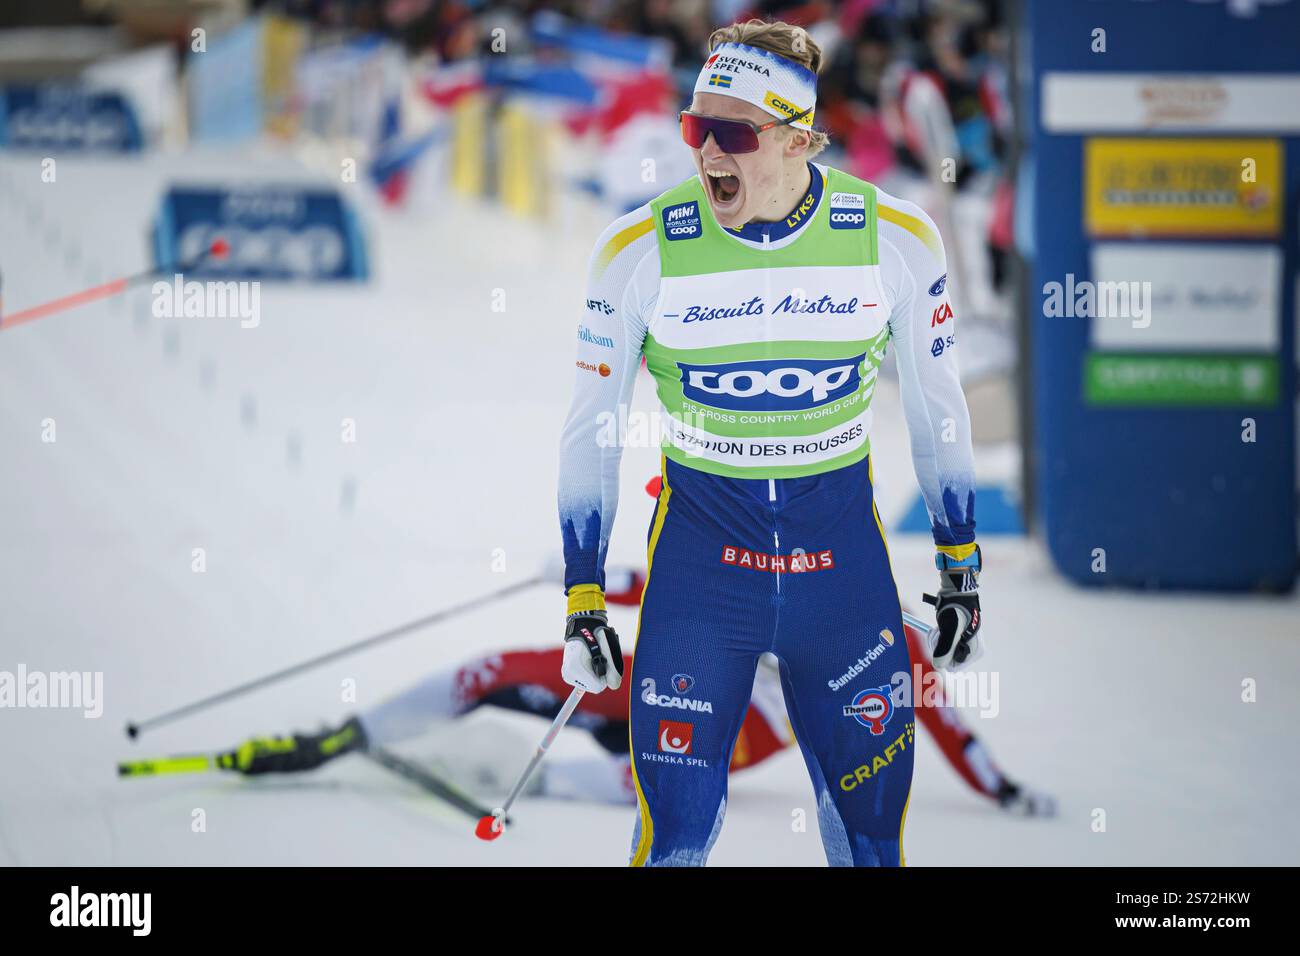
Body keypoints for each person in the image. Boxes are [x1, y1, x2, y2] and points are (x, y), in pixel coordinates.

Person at [557, 19, 982, 867]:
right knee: (672, 838)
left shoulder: (893, 239)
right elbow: (591, 430)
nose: (706, 152)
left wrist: (959, 568)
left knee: (869, 842)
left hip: (842, 582)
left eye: (732, 133)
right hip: (701, 580)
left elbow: (941, 415)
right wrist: (582, 596)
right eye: (693, 128)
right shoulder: (638, 251)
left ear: (797, 138)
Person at [219, 600, 1052, 817]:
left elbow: (948, 726)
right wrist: (588, 579)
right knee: (490, 671)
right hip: (652, 680)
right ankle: (343, 737)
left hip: (725, 738)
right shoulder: (776, 545)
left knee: (648, 791)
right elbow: (664, 571)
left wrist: (1002, 787)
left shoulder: (899, 644)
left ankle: (522, 783)